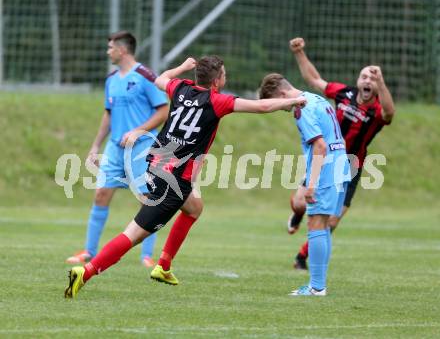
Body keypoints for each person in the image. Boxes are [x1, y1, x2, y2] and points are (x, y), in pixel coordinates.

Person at [64, 55, 307, 298]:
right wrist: (297, 99)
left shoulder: (180, 88)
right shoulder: (217, 101)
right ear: (217, 81)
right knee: (133, 235)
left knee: (194, 208)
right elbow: (262, 107)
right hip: (173, 182)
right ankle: (85, 272)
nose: (226, 77)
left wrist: (181, 67)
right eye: (224, 74)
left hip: (157, 165)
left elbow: (161, 79)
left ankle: (164, 266)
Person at [287, 37, 396, 270]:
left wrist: (382, 81)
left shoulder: (377, 111)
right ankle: (297, 215)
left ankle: (302, 257)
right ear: (358, 81)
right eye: (365, 76)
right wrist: (299, 53)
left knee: (332, 219)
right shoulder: (343, 94)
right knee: (299, 203)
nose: (368, 80)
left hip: (350, 166)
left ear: (378, 86)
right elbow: (314, 80)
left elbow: (389, 113)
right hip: (324, 158)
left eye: (373, 78)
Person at [65, 31, 169, 269]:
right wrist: (95, 145)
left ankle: (147, 255)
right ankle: (89, 252)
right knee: (101, 193)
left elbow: (163, 111)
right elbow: (108, 114)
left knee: (148, 200)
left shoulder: (145, 76)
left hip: (141, 148)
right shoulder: (111, 79)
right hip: (115, 149)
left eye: (111, 47)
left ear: (122, 50)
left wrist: (137, 131)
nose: (108, 51)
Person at [259, 73, 350, 296]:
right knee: (324, 225)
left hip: (327, 171)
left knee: (315, 225)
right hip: (342, 166)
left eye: (275, 103)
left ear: (281, 94)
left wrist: (311, 183)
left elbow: (320, 146)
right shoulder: (317, 99)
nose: (279, 108)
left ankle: (316, 287)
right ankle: (318, 285)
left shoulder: (302, 108)